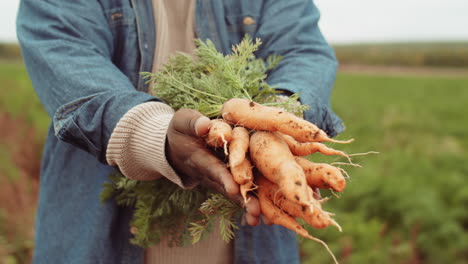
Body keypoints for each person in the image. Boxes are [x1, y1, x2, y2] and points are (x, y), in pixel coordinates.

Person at [16, 0, 344, 263]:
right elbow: (64, 49)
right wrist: (156, 137)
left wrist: (271, 121)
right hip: (96, 237)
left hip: (251, 239)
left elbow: (304, 49)